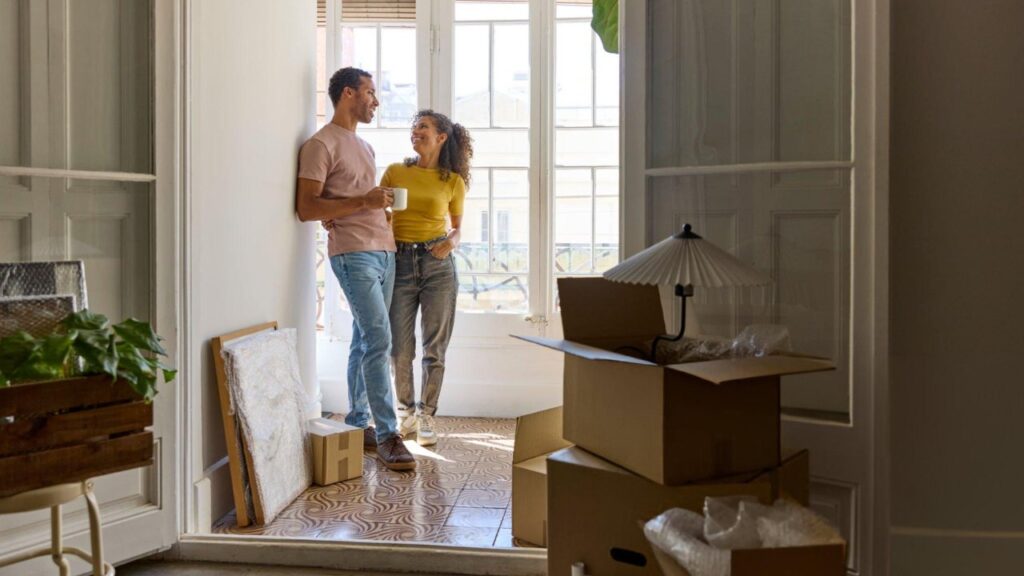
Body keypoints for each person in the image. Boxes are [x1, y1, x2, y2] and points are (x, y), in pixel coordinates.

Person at [295, 67, 415, 471]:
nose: (376, 101)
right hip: (353, 254)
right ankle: (388, 435)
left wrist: (379, 211)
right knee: (380, 339)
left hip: (385, 251)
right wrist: (363, 203)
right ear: (348, 93)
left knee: (365, 339)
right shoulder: (320, 145)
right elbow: (307, 207)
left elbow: (352, 200)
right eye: (370, 92)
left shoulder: (364, 146)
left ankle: (359, 421)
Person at [382, 110, 472, 446]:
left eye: (423, 127)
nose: (415, 132)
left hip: (438, 264)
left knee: (435, 348)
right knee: (400, 349)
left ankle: (426, 416)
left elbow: (458, 229)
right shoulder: (395, 171)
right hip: (400, 262)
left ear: (441, 137)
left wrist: (450, 243)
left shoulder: (453, 181)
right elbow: (376, 211)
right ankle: (405, 413)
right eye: (413, 128)